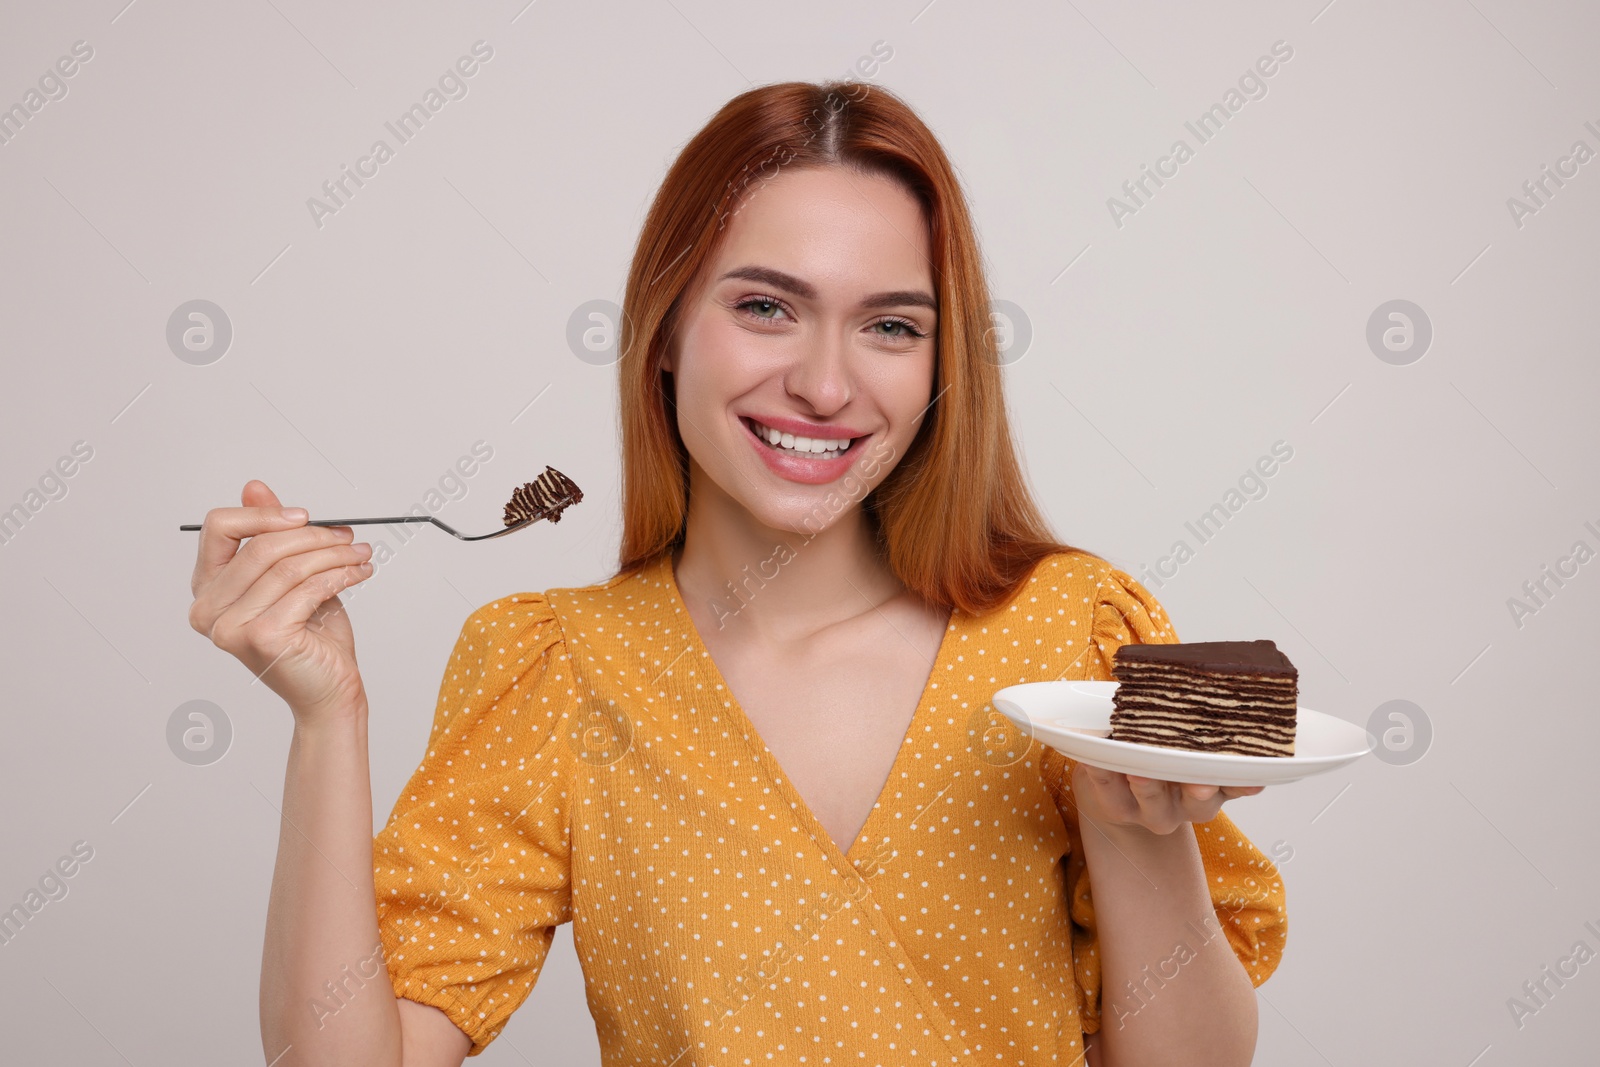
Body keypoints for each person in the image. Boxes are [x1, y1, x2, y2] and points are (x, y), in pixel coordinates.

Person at [188, 80, 1286, 1067]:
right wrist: (328, 717)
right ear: (665, 328)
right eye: (765, 306)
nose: (822, 382)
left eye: (891, 326)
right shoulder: (558, 668)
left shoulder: (1073, 636)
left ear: (940, 365)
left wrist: (1141, 824)